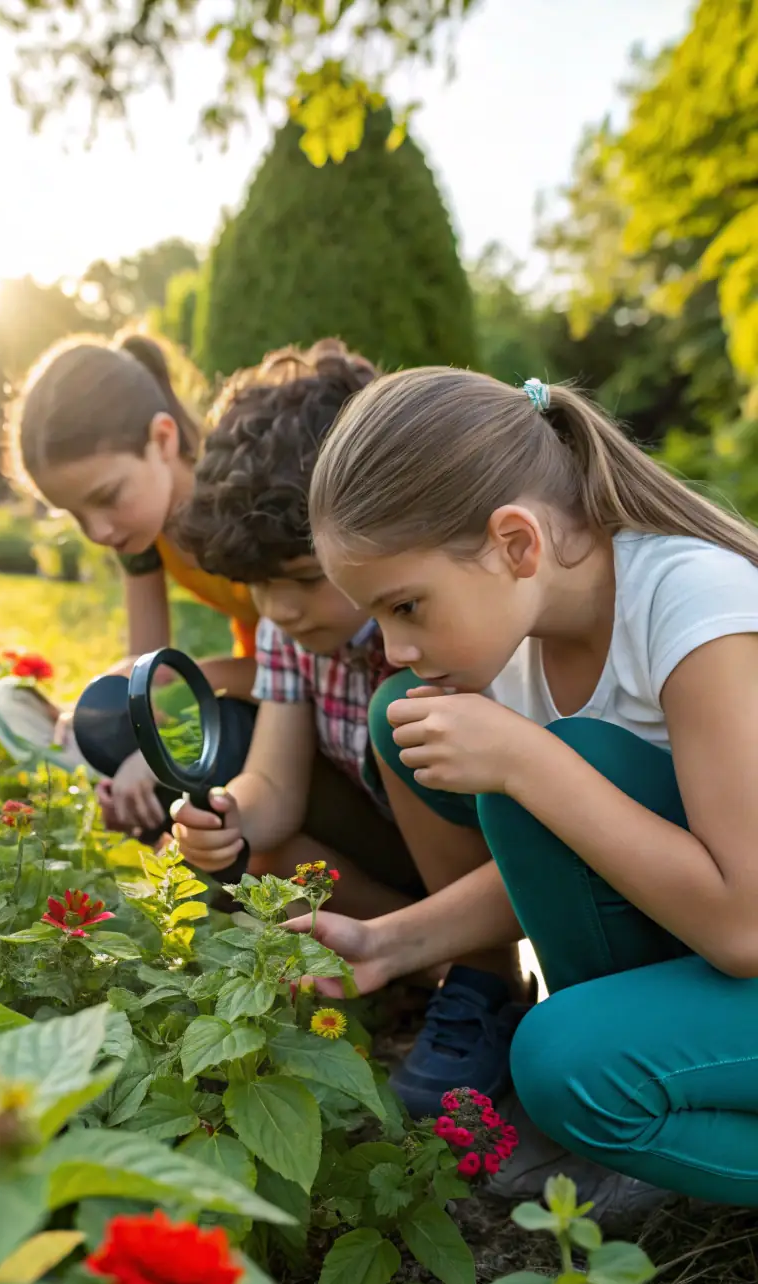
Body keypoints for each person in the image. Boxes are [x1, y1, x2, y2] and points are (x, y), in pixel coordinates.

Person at [296, 365, 758, 1210]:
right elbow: (580, 860)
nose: (393, 647)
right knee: (413, 715)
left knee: (564, 1065)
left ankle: (656, 1108)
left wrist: (526, 760)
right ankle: (642, 1087)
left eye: (407, 606)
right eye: (379, 618)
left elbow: (744, 928)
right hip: (710, 941)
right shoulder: (524, 638)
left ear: (516, 543)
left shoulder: (695, 604)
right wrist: (395, 942)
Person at [166, 341, 426, 923]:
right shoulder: (289, 633)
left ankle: (474, 964)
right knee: (267, 854)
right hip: (386, 852)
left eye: (308, 578)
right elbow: (275, 787)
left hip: (476, 854)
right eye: (258, 585)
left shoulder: (429, 634)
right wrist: (231, 817)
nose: (280, 609)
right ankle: (417, 957)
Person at [0, 331, 259, 839]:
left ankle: (122, 788)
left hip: (287, 710)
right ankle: (100, 774)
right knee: (101, 718)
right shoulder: (143, 534)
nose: (99, 532)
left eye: (108, 497)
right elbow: (148, 664)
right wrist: (104, 707)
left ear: (162, 439)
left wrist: (183, 686)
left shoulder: (248, 510)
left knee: (196, 748)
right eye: (76, 515)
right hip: (243, 692)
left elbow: (300, 675)